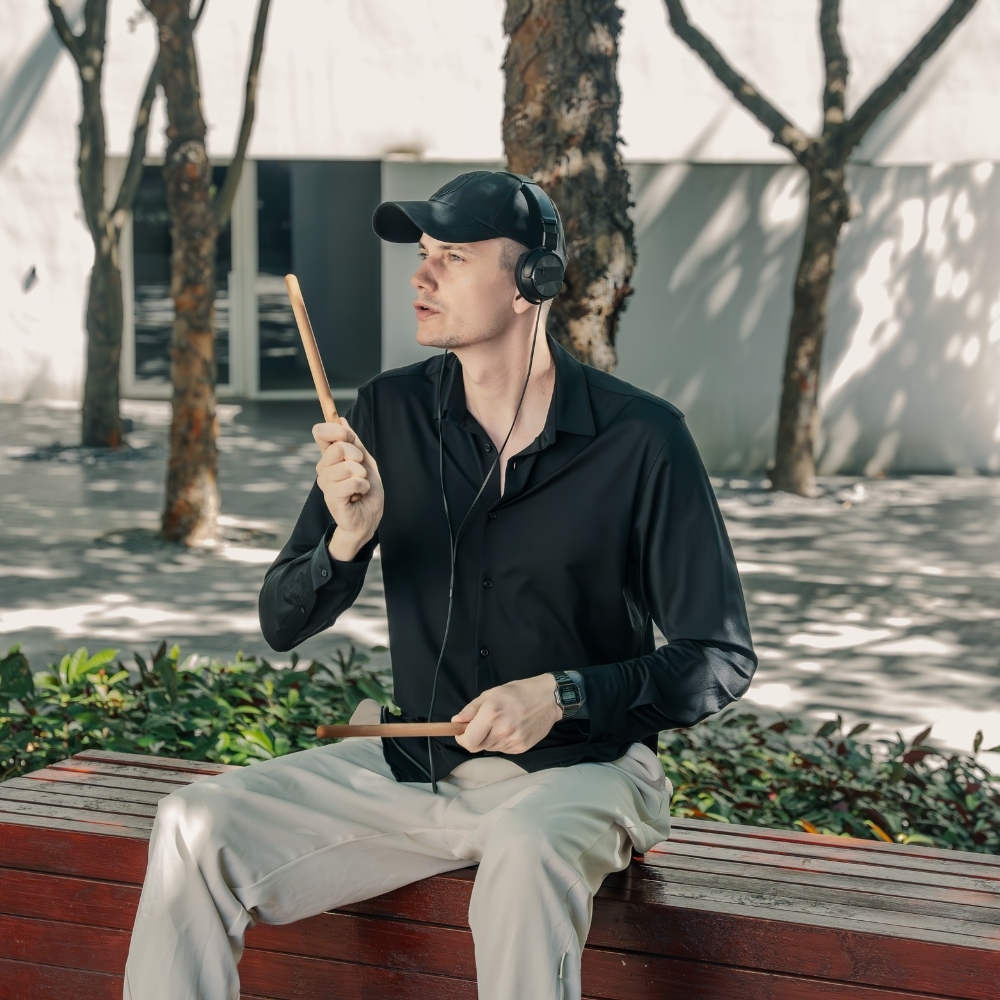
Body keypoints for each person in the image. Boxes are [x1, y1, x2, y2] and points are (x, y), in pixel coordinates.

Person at [123, 170, 756, 1000]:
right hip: (413, 769)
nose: (421, 277)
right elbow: (282, 620)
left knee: (526, 853)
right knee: (191, 824)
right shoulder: (386, 412)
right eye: (422, 254)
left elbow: (719, 657)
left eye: (452, 258)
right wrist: (346, 540)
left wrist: (562, 695)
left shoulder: (642, 437)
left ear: (532, 282)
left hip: (582, 773)